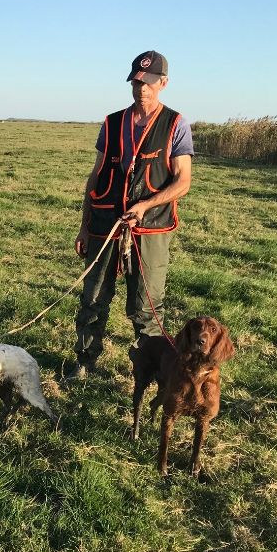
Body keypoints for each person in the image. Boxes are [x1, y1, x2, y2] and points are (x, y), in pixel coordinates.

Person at [71, 50, 194, 379]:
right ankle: (84, 363)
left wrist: (145, 206)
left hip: (150, 229)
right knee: (93, 297)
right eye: (137, 81)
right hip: (105, 225)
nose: (142, 88)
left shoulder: (175, 124)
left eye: (150, 82)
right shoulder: (112, 123)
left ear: (163, 83)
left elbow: (183, 181)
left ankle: (151, 372)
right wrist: (84, 227)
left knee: (146, 306)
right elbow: (95, 175)